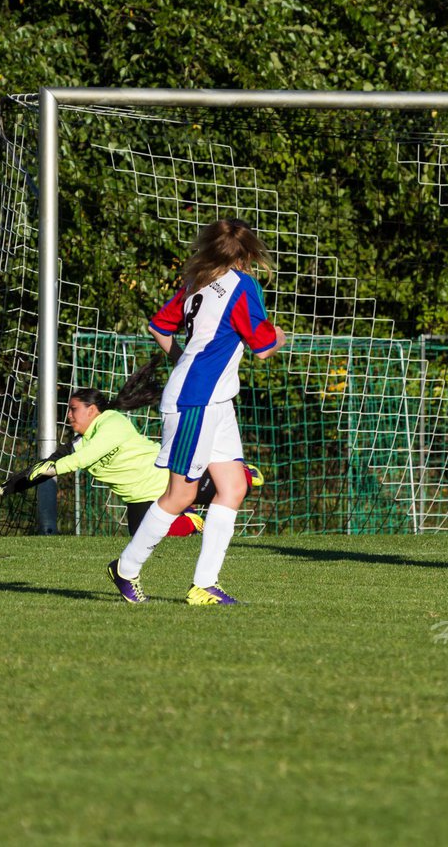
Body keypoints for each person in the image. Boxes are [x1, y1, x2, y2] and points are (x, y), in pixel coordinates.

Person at [107, 217, 286, 605]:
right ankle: (127, 568)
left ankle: (204, 584)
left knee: (234, 486)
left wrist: (182, 360)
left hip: (214, 401)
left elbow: (159, 327)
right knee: (181, 494)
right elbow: (263, 347)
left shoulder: (197, 282)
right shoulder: (242, 285)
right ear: (250, 253)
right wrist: (280, 336)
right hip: (196, 402)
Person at [0, 359, 263, 537]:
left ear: (92, 410)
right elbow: (44, 468)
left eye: (73, 409)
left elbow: (85, 458)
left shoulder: (112, 423)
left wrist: (58, 466)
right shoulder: (77, 443)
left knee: (236, 486)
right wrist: (5, 487)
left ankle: (245, 471)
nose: (69, 415)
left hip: (168, 477)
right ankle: (192, 520)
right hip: (140, 495)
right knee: (143, 534)